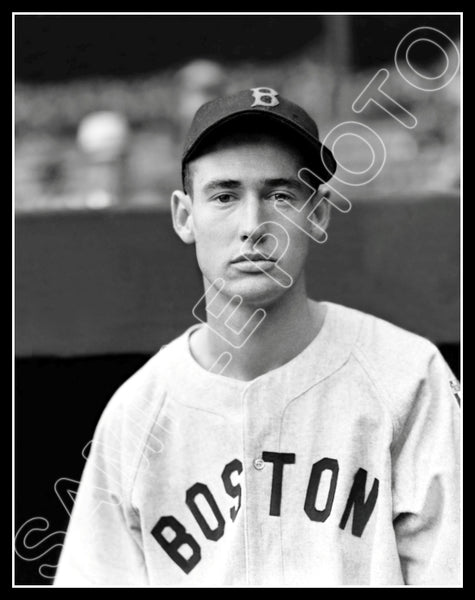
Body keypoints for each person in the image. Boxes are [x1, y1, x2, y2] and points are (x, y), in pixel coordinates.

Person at [54, 87, 460, 587]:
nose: (253, 226)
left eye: (280, 195)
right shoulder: (138, 414)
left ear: (318, 215)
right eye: (225, 196)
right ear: (185, 216)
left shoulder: (407, 377)